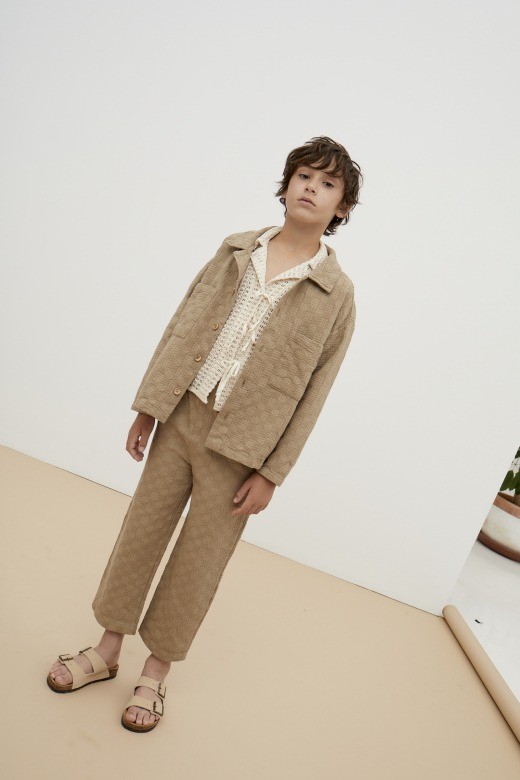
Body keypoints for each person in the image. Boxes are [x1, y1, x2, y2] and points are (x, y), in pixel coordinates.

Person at [47, 135, 362, 732]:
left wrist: (272, 473)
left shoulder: (337, 294)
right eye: (304, 176)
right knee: (141, 532)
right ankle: (107, 650)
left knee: (200, 559)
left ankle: (155, 673)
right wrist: (149, 407)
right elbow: (184, 324)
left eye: (328, 184)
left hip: (244, 448)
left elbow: (317, 392)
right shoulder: (236, 249)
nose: (311, 188)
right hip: (183, 413)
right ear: (286, 184)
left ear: (342, 207)